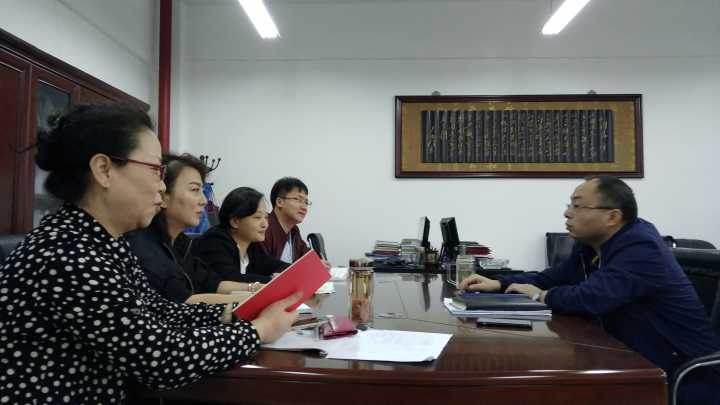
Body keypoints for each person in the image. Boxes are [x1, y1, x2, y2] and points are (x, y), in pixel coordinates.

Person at [0, 104, 298, 404]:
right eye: (156, 170)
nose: (161, 186)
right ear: (104, 170)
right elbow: (159, 358)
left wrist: (235, 313)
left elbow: (159, 311)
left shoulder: (104, 242)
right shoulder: (67, 252)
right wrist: (258, 330)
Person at [459, 175, 720, 404]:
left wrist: (539, 295)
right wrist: (500, 283)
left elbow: (590, 298)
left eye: (577, 205)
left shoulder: (642, 248)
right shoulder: (589, 247)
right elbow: (551, 277)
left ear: (612, 217)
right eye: (569, 205)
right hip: (624, 357)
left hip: (682, 374)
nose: (567, 213)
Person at [126, 153, 261, 304]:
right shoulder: (143, 245)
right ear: (162, 195)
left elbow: (213, 283)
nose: (204, 201)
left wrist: (256, 289)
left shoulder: (181, 242)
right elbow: (182, 301)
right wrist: (255, 298)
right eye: (194, 190)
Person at [192, 187, 289, 284]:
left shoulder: (252, 245)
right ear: (235, 221)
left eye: (266, 217)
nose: (265, 225)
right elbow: (229, 280)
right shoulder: (215, 241)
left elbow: (280, 266)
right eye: (257, 217)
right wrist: (272, 279)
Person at [263, 177, 329, 266]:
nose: (304, 207)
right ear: (279, 202)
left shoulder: (294, 230)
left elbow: (306, 257)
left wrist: (318, 263)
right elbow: (263, 265)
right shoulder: (264, 227)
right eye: (298, 199)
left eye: (306, 202)